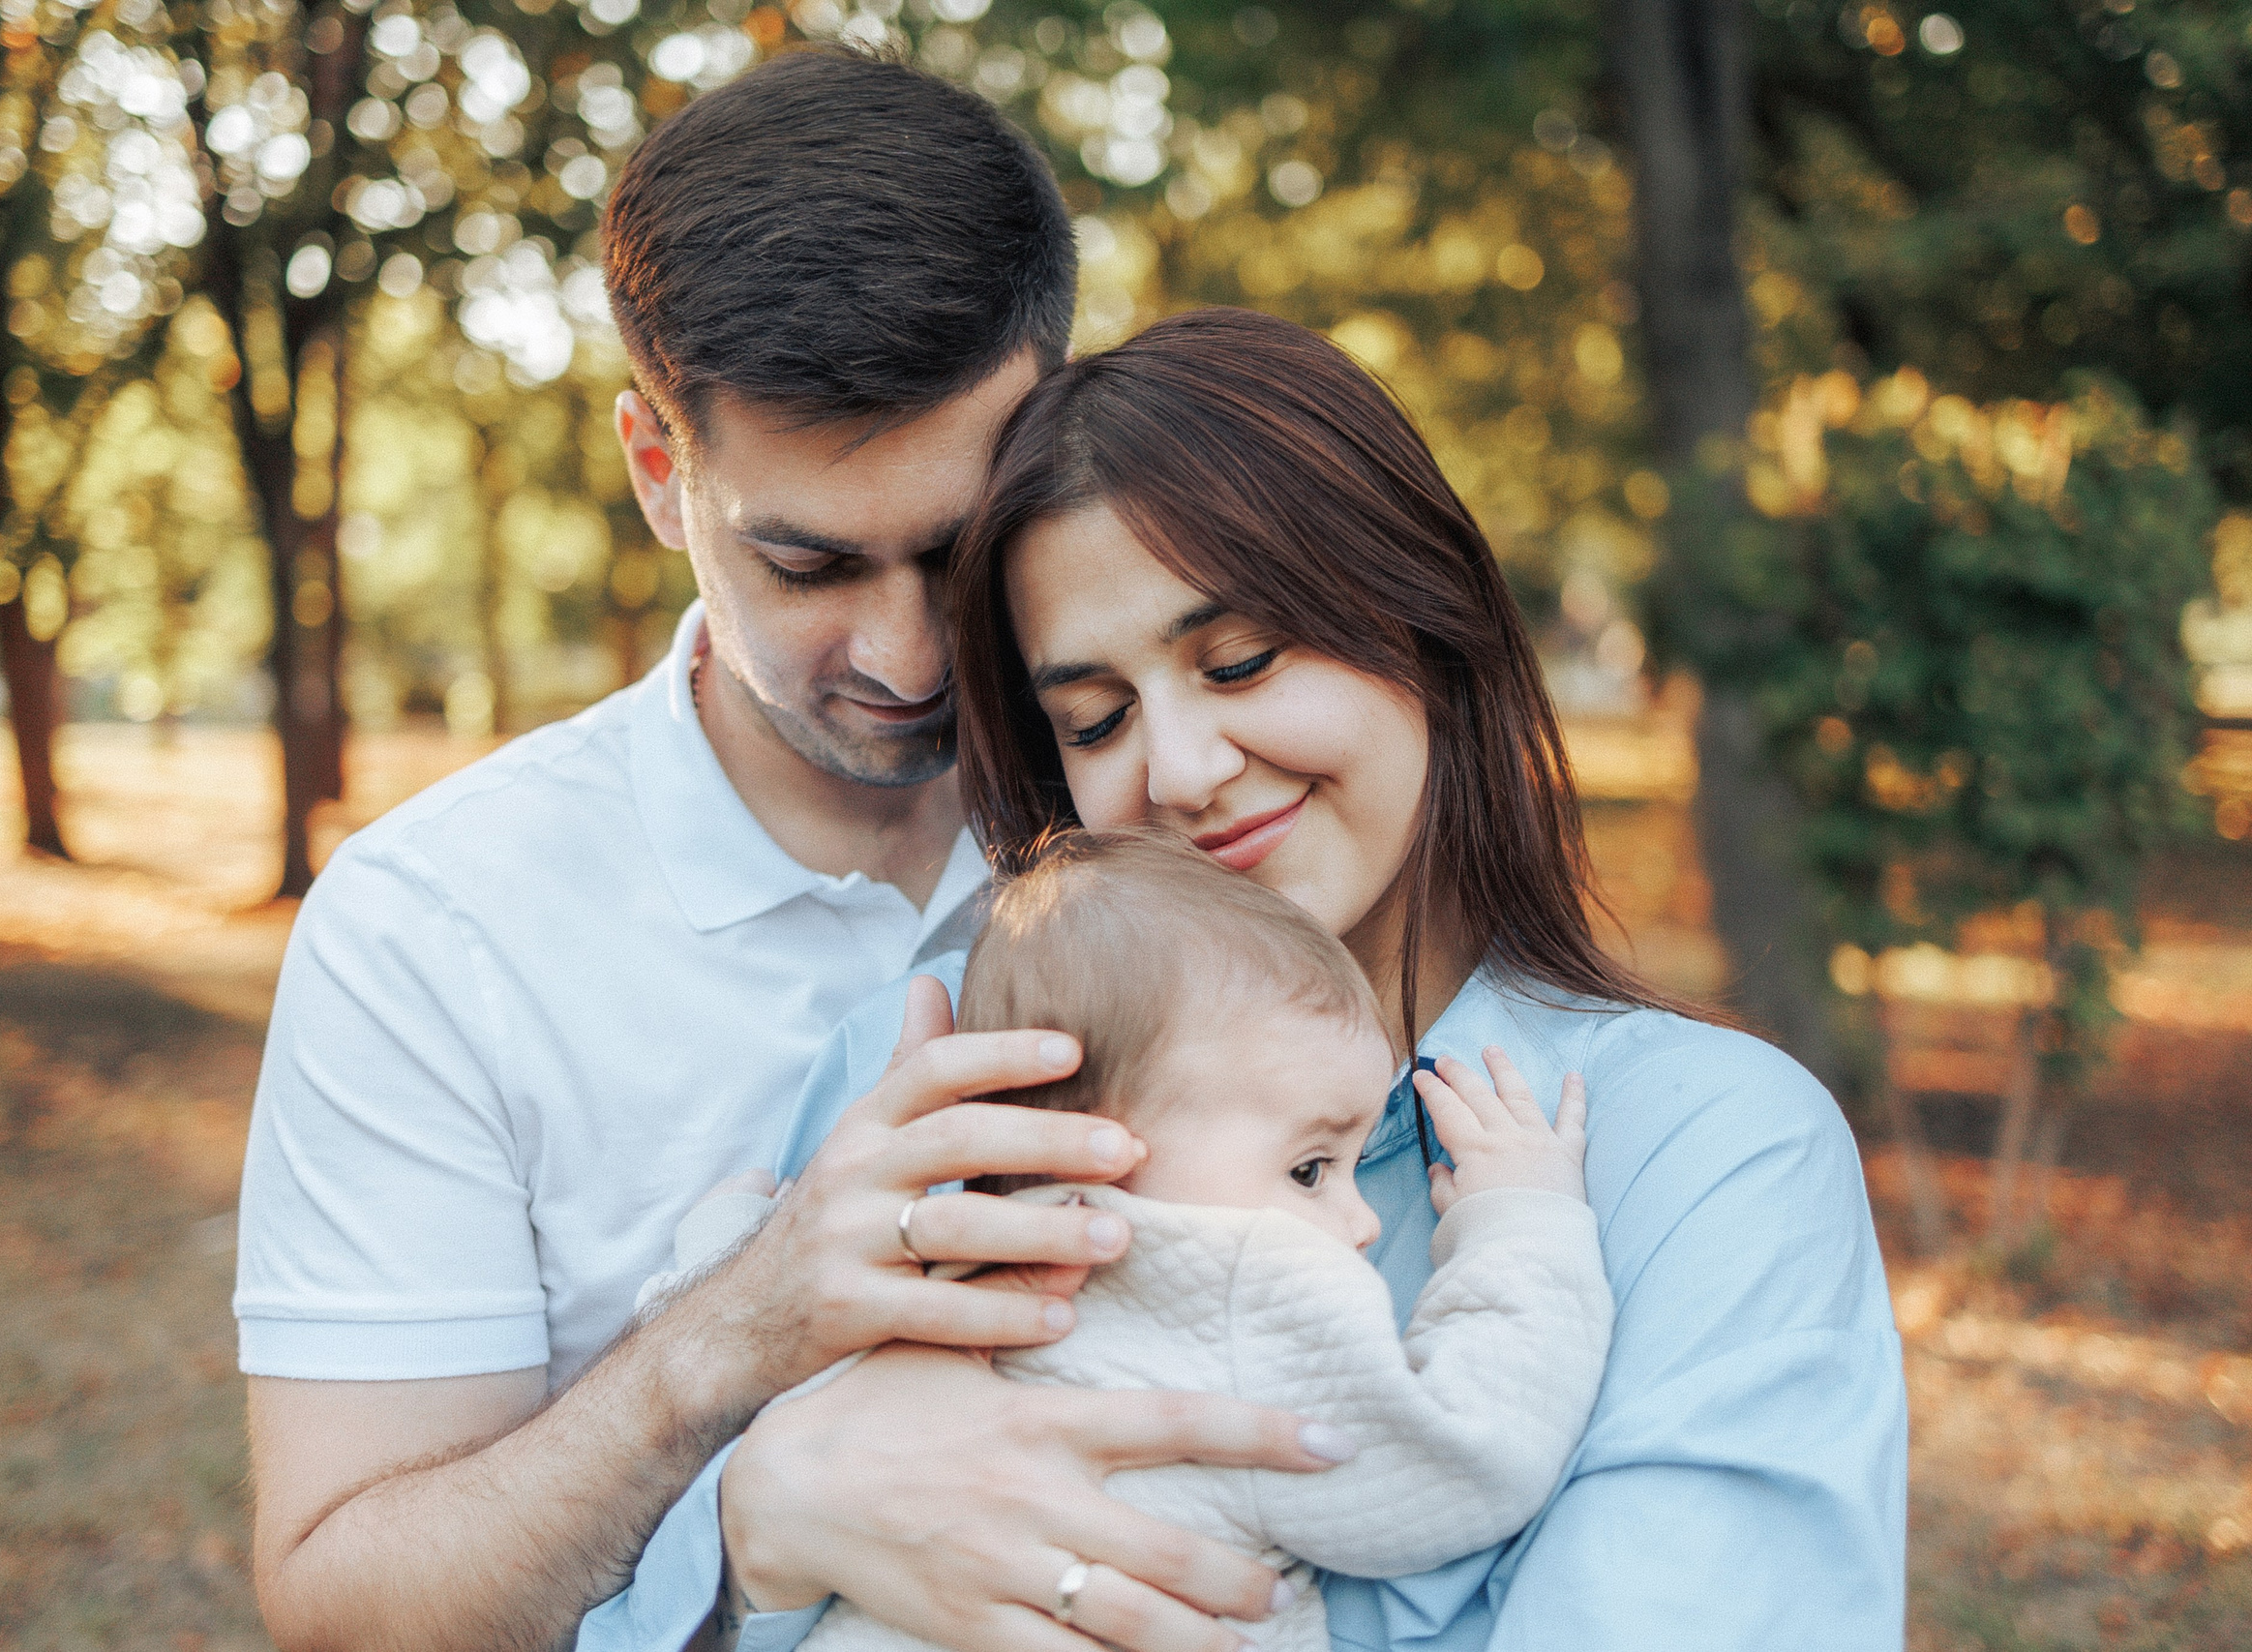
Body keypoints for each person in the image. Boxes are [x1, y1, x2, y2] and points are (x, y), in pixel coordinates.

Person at [589, 309, 1908, 1652]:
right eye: (1094, 719)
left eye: (1240, 662)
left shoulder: (1698, 1150)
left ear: (1425, 618)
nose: (1180, 770)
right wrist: (762, 1525)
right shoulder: (936, 1076)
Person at [231, 61, 1337, 1652]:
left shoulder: (1178, 802)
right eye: (808, 564)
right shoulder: (433, 931)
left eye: (955, 549)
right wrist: (728, 1339)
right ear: (657, 469)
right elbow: (347, 1603)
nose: (907, 655)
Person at [657, 826, 1614, 1652]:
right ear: (1099, 1150)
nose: (1360, 1220)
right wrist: (1521, 1219)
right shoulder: (1241, 1286)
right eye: (1310, 1169)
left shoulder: (917, 1269)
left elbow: (757, 1379)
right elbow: (1466, 1461)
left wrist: (728, 1233)